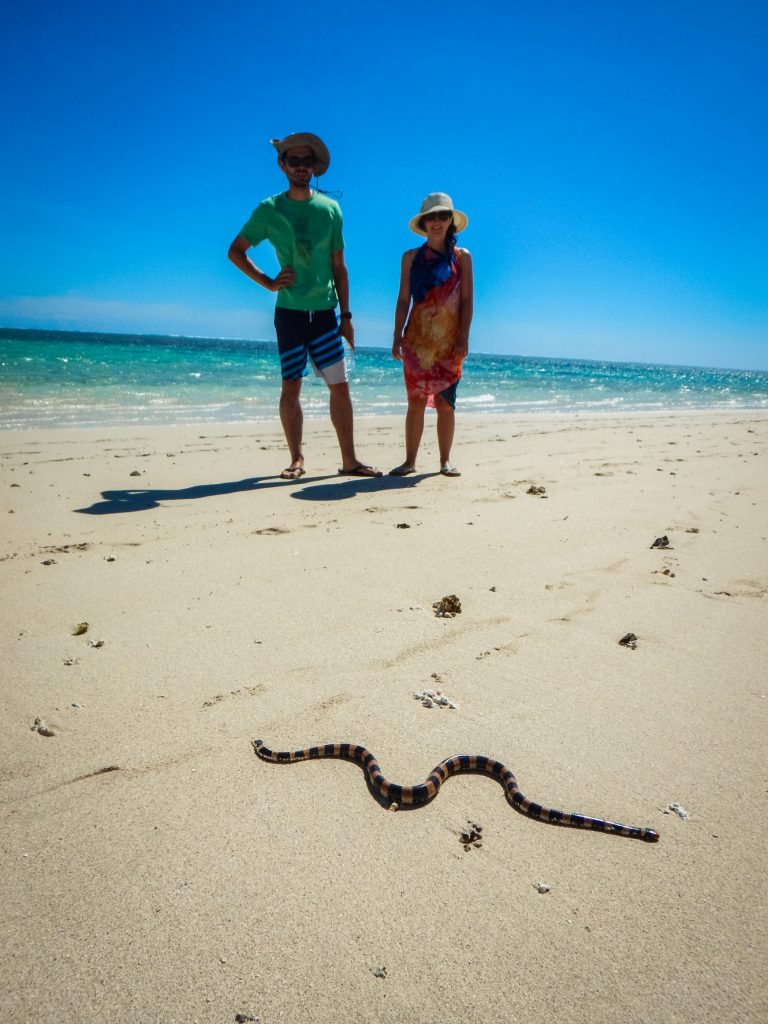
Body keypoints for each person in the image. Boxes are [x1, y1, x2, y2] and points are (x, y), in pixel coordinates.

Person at [228, 132, 381, 479]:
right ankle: (296, 459)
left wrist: (347, 316)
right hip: (290, 312)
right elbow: (235, 250)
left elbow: (340, 267)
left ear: (314, 167)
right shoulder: (270, 209)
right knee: (291, 386)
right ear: (282, 165)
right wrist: (268, 282)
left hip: (326, 312)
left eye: (306, 161)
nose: (301, 167)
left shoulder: (330, 210)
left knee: (339, 386)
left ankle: (350, 461)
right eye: (293, 161)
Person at [390, 193, 473, 477]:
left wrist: (463, 337)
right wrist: (396, 334)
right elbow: (403, 299)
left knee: (444, 404)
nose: (437, 222)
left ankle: (445, 461)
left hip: (449, 342)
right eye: (431, 217)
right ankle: (410, 461)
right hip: (417, 341)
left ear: (451, 221)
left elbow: (466, 301)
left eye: (442, 216)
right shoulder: (410, 258)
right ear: (424, 222)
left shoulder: (462, 258)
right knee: (415, 401)